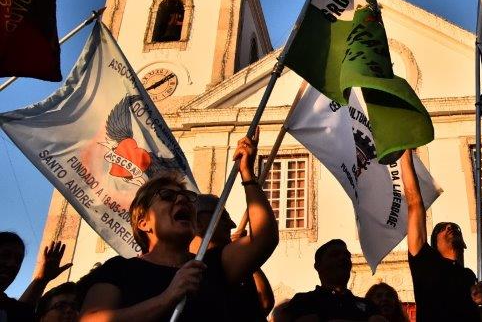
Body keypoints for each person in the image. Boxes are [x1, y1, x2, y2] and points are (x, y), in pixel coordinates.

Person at [80, 131, 278, 322]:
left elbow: (263, 238)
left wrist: (248, 174)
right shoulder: (119, 270)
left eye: (187, 198)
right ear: (143, 222)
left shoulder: (211, 266)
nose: (182, 201)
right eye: (167, 197)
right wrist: (167, 298)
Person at [400, 150, 482, 322]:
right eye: (442, 229)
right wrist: (404, 152)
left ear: (464, 244)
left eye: (456, 228)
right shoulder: (424, 261)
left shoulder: (470, 277)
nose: (450, 227)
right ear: (433, 244)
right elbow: (414, 203)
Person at [190, 193, 274, 320]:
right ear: (198, 222)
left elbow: (264, 302)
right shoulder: (186, 269)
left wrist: (248, 259)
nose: (232, 224)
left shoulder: (231, 262)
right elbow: (265, 237)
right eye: (222, 217)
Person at [277, 239, 382, 322]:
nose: (343, 258)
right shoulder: (302, 301)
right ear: (318, 266)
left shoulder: (368, 305)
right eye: (334, 255)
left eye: (347, 255)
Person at [1, 233, 72, 322]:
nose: (11, 264)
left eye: (18, 260)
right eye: (5, 255)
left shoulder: (7, 308)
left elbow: (20, 312)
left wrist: (43, 278)